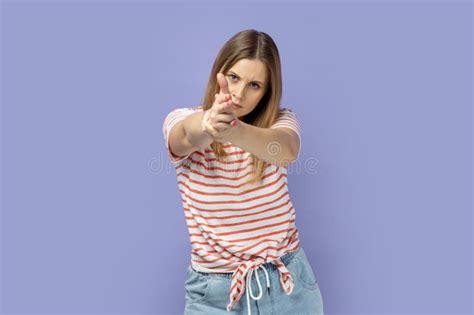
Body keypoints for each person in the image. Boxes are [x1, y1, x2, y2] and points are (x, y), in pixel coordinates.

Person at [163, 29, 324, 314]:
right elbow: (186, 136)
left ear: (267, 92)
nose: (238, 93)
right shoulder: (182, 118)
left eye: (255, 85)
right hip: (214, 296)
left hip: (288, 285)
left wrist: (233, 131)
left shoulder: (281, 122)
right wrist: (210, 126)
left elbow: (285, 150)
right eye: (234, 77)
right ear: (219, 73)